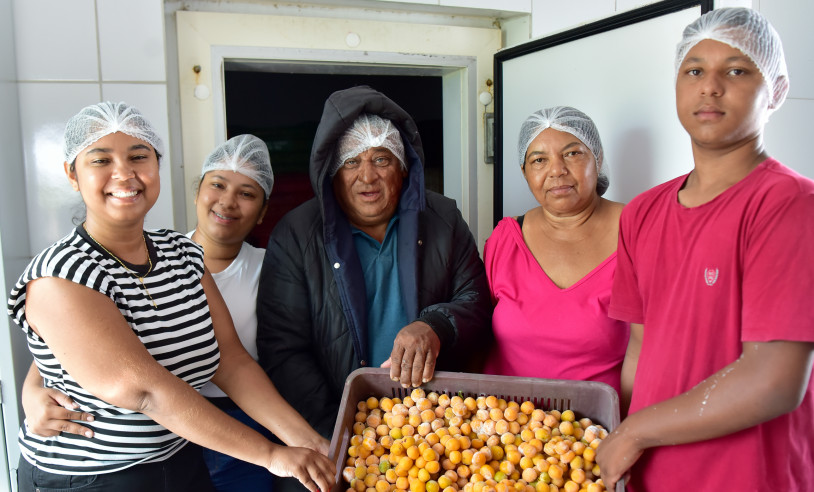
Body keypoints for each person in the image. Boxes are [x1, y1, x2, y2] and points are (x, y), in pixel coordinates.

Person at [8, 102, 335, 492]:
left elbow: (231, 362)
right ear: (72, 174)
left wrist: (309, 440)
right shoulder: (61, 274)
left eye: (138, 156)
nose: (124, 173)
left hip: (180, 460)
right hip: (93, 478)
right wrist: (271, 455)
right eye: (101, 159)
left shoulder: (182, 254)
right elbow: (147, 393)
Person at [596, 8, 814, 491]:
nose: (710, 86)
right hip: (652, 473)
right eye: (694, 70)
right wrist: (623, 436)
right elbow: (639, 346)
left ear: (775, 90)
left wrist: (635, 431)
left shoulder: (789, 203)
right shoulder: (643, 212)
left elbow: (774, 380)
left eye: (736, 70)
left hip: (745, 475)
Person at [256, 85, 493, 441]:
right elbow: (284, 350)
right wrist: (341, 432)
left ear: (403, 168)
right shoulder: (296, 234)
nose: (367, 177)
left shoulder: (442, 218)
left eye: (381, 159)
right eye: (351, 162)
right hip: (335, 425)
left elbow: (476, 303)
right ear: (331, 174)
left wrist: (435, 326)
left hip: (436, 424)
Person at [482, 107, 629, 396]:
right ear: (525, 172)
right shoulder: (505, 239)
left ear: (597, 159)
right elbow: (477, 334)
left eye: (573, 153)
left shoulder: (636, 232)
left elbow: (656, 351)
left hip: (597, 430)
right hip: (506, 427)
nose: (556, 170)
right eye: (539, 160)